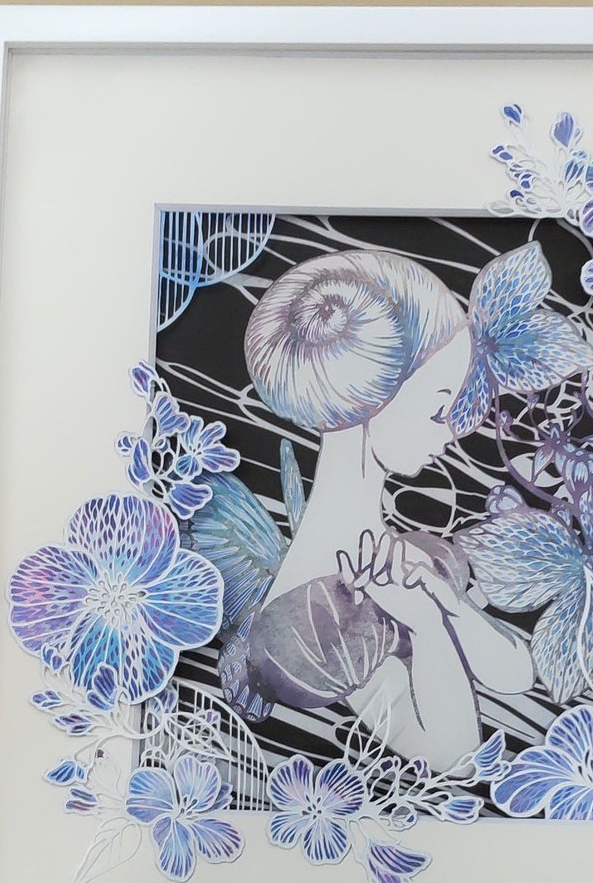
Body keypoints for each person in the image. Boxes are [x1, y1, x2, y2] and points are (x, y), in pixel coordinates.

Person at [224, 249, 534, 771]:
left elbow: (517, 675)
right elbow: (454, 757)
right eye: (438, 409)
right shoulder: (318, 600)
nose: (450, 432)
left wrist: (448, 608)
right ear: (370, 402)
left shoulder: (385, 550)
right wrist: (429, 627)